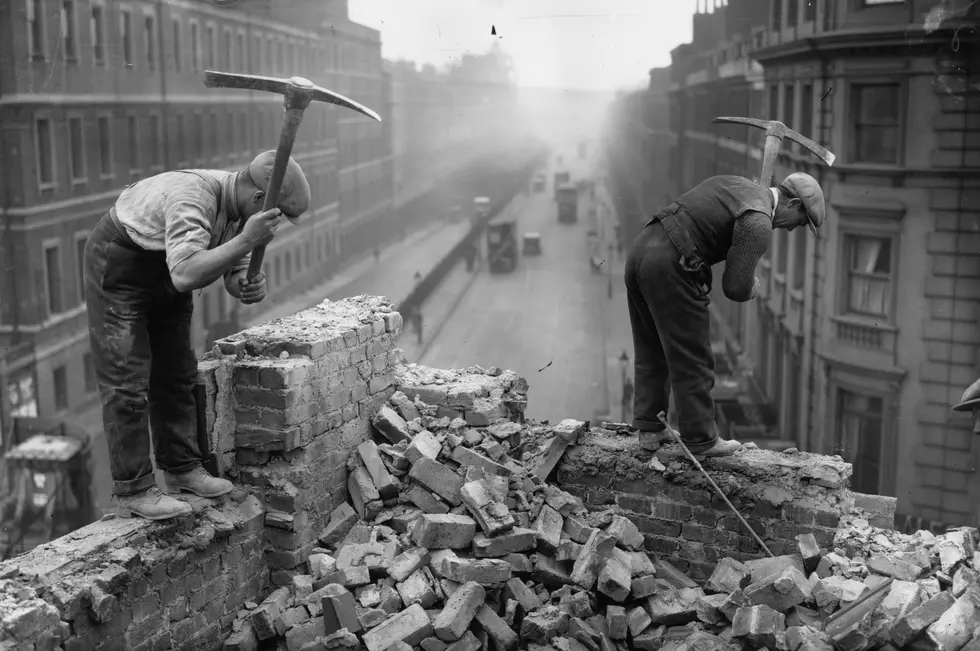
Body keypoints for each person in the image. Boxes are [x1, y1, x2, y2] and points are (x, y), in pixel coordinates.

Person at [84, 150, 311, 520]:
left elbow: (232, 268)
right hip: (122, 265)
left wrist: (245, 283)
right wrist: (246, 241)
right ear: (258, 199)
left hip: (169, 270)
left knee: (177, 373)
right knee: (126, 381)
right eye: (274, 217)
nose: (274, 226)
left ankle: (182, 469)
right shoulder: (195, 197)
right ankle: (135, 490)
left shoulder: (240, 209)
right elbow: (187, 275)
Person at [625, 173, 825, 456]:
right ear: (793, 203)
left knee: (651, 347)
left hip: (642, 249)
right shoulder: (758, 221)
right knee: (693, 357)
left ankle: (650, 428)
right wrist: (751, 288)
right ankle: (701, 440)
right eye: (801, 221)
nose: (794, 230)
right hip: (673, 265)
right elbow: (734, 287)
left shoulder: (739, 185)